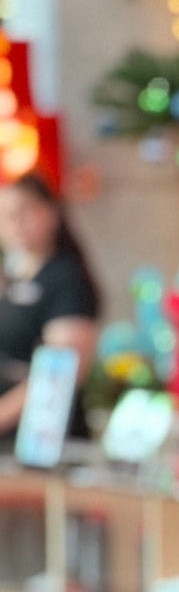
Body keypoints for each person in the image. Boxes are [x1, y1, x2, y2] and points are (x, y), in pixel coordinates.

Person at [0, 172, 101, 445]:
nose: (14, 224)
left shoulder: (66, 280)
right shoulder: (12, 277)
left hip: (41, 442)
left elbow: (57, 376)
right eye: (5, 215)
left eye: (23, 212)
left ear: (51, 213)